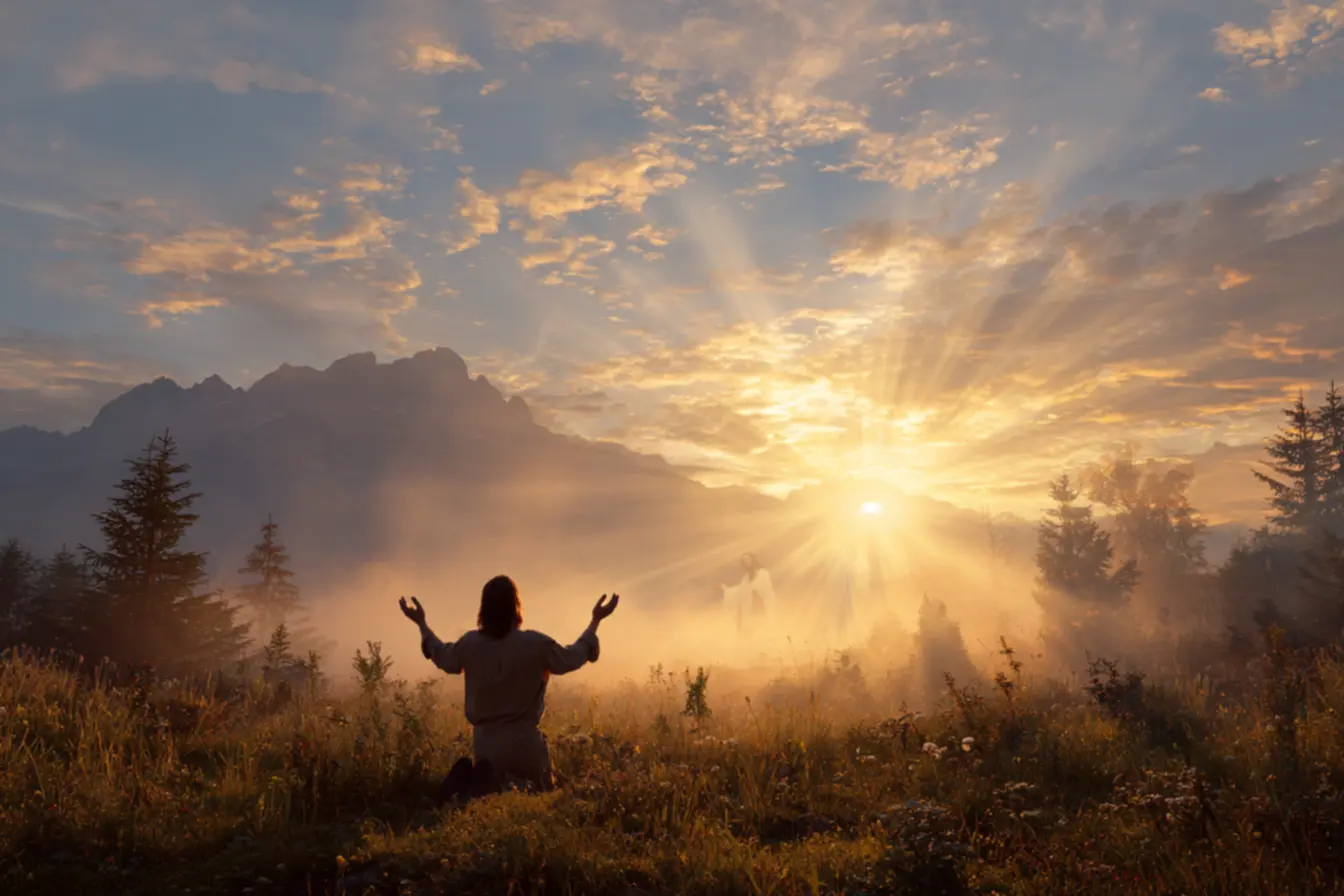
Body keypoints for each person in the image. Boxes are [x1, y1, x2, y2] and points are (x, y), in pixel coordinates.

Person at [397, 575, 619, 802]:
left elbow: (440, 654)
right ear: (516, 607)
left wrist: (421, 624)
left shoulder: (469, 645)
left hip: (486, 747)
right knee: (538, 793)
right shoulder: (536, 644)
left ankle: (477, 785)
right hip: (526, 746)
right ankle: (496, 784)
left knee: (492, 790)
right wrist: (596, 621)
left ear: (483, 610)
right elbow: (571, 657)